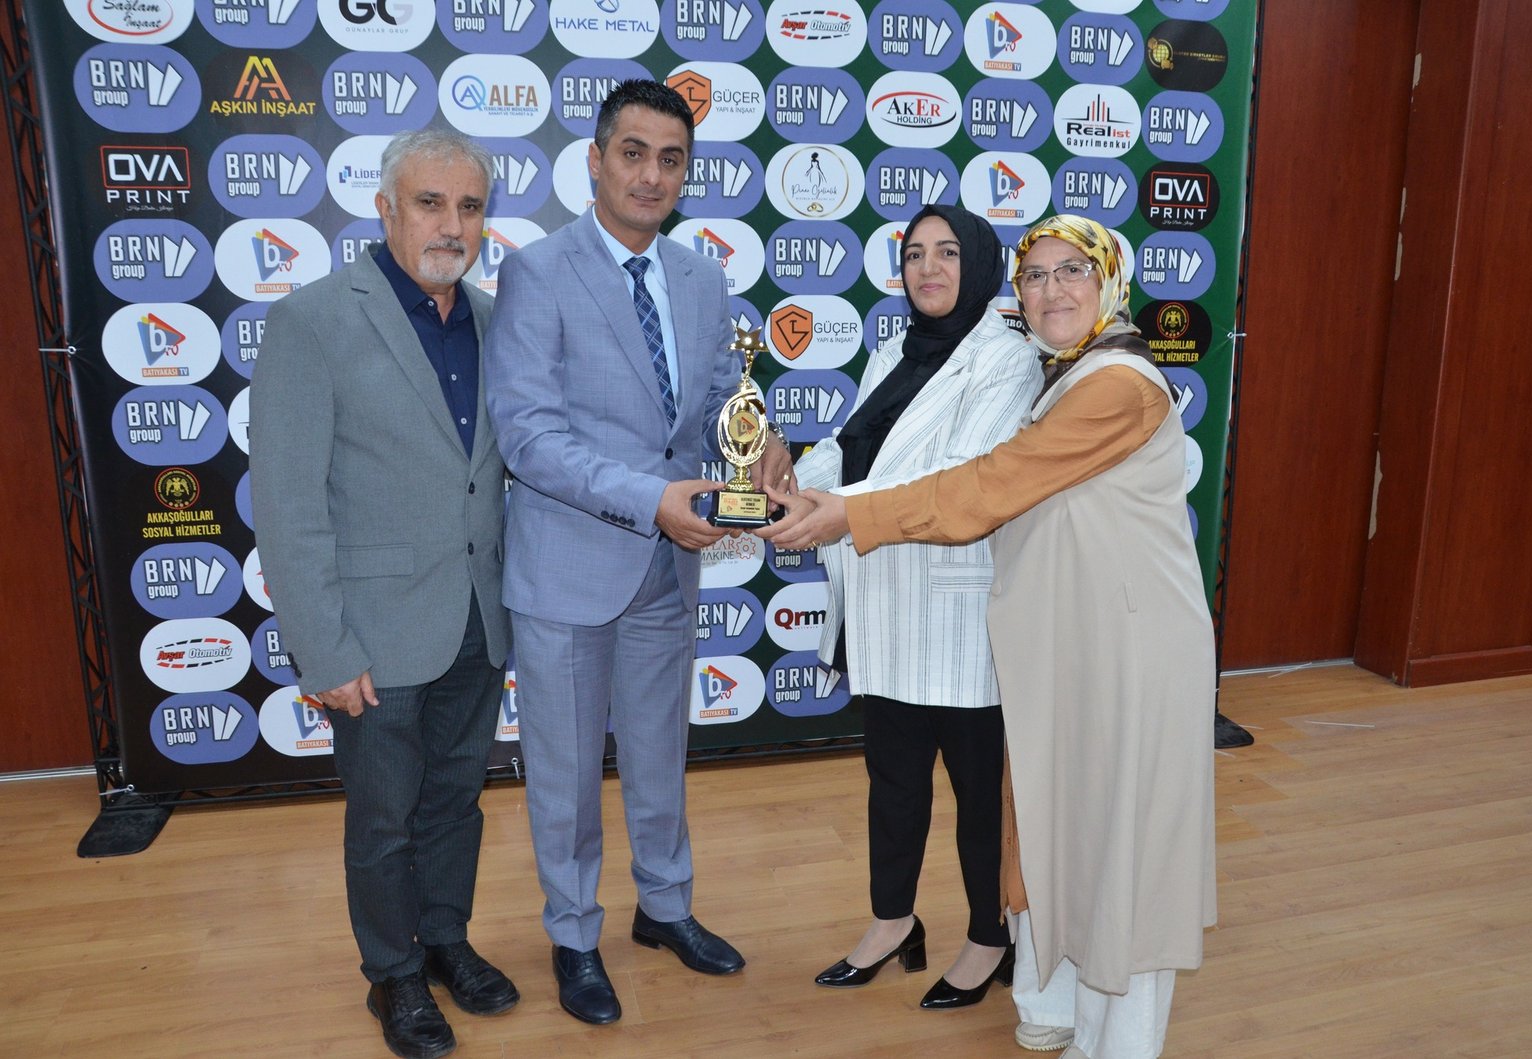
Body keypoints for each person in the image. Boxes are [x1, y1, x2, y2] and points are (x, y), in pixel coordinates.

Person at [760, 214, 1217, 1059]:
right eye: (1035, 275)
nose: (1051, 289)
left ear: (1109, 281)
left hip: (1133, 651)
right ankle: (1059, 1005)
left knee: (1123, 848)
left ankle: (1118, 1043)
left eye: (1072, 271)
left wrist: (849, 514)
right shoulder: (1066, 373)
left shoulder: (1117, 383)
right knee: (1059, 830)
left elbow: (989, 483)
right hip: (1069, 645)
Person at [481, 79, 792, 1027]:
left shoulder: (700, 279)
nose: (651, 174)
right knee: (568, 775)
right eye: (633, 153)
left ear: (686, 173)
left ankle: (664, 906)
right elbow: (529, 437)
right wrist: (651, 500)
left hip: (669, 563)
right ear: (596, 160)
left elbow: (713, 403)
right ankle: (574, 934)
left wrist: (761, 444)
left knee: (661, 754)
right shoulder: (538, 273)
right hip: (570, 567)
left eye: (671, 159)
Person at [251, 127, 517, 1059]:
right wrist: (323, 647)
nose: (452, 225)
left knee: (455, 801)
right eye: (430, 203)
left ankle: (444, 938)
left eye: (470, 206)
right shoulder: (314, 320)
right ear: (386, 209)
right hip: (370, 632)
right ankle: (393, 972)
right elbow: (287, 503)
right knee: (382, 817)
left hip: (478, 617)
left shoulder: (496, 319)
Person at [796, 205, 1040, 1008]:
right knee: (892, 780)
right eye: (913, 254)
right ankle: (893, 920)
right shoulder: (890, 352)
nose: (928, 268)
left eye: (947, 252)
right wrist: (790, 486)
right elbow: (849, 445)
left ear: (980, 263)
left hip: (959, 615)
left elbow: (961, 476)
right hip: (884, 603)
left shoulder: (1008, 359)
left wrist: (837, 510)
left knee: (978, 795)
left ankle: (989, 937)